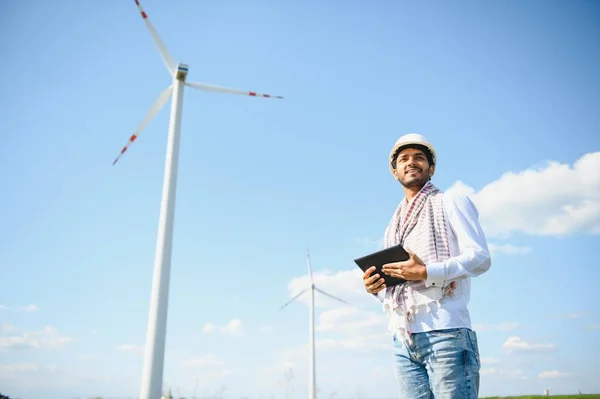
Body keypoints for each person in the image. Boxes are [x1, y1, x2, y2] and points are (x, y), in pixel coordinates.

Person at [362, 133, 491, 399]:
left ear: (431, 169)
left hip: (447, 331)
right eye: (404, 158)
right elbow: (398, 284)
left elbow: (480, 257)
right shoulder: (393, 226)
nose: (411, 162)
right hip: (404, 338)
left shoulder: (450, 201)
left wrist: (427, 272)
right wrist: (376, 287)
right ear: (394, 171)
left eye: (419, 157)